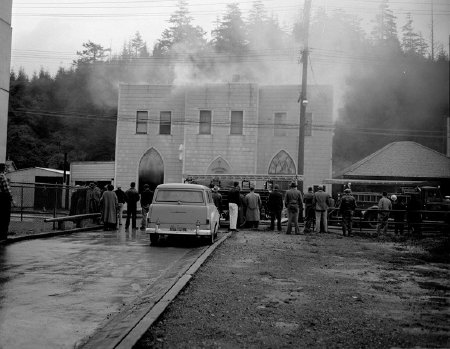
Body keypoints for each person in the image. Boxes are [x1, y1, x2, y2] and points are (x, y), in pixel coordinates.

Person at [0, 163, 13, 241]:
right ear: (3, 169)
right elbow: (7, 190)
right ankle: (3, 236)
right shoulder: (2, 176)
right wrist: (11, 199)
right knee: (5, 217)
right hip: (3, 198)